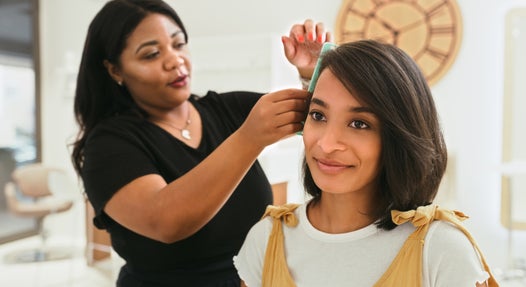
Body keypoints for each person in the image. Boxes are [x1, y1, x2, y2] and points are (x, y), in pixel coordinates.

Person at [70, 0, 331, 286]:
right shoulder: (108, 145)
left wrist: (311, 76)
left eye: (178, 44)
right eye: (152, 54)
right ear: (115, 70)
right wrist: (248, 138)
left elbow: (319, 119)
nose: (174, 60)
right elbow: (166, 221)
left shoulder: (226, 109)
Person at [234, 40, 499, 287]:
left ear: (398, 138)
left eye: (359, 124)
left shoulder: (441, 249)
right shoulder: (266, 239)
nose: (326, 144)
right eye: (318, 115)